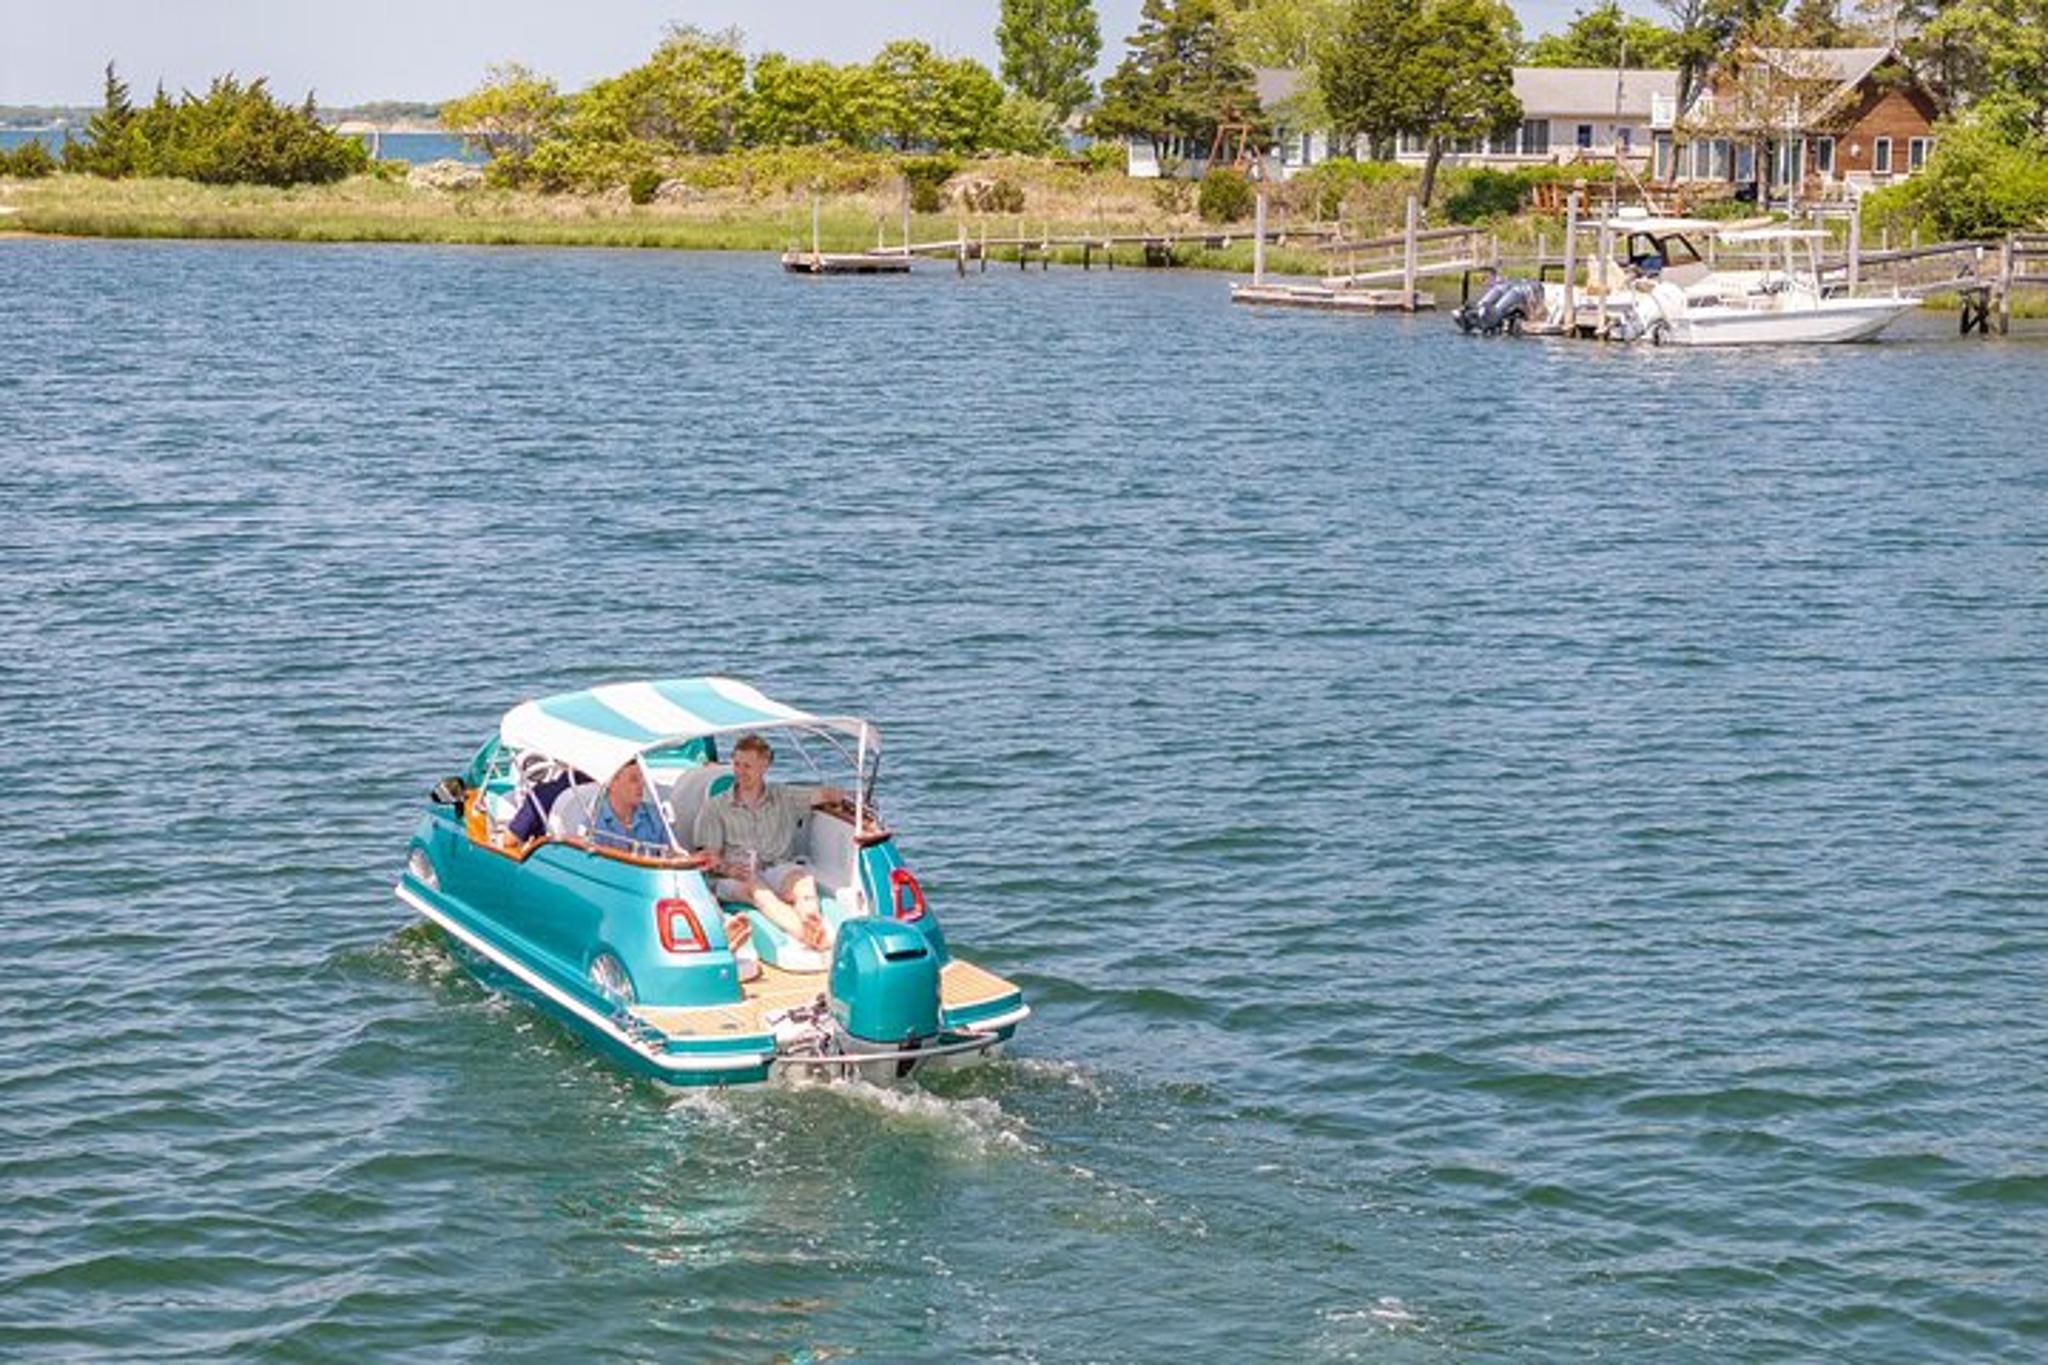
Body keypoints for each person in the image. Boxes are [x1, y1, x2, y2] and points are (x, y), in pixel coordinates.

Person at [693, 733, 847, 953]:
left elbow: (823, 795)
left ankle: (811, 919)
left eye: (747, 766)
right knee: (758, 891)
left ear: (764, 765)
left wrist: (843, 797)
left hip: (776, 867)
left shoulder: (783, 796)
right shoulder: (715, 807)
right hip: (735, 875)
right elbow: (707, 857)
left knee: (802, 881)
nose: (740, 771)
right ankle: (810, 936)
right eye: (737, 764)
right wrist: (728, 867)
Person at [589, 762, 669, 853]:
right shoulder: (593, 822)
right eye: (634, 779)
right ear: (611, 783)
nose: (641, 785)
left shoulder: (655, 816)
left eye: (642, 779)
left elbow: (671, 856)